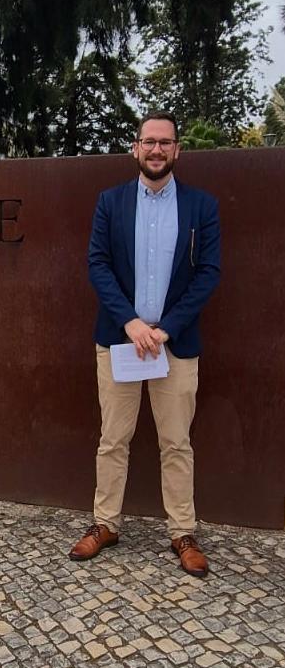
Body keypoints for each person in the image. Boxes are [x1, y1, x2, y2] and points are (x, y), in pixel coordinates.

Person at [69, 111, 221, 578]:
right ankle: (105, 524)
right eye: (149, 141)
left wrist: (166, 327)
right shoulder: (110, 202)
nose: (157, 150)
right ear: (135, 148)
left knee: (176, 443)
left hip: (174, 344)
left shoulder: (201, 206)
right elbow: (98, 265)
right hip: (121, 341)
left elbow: (208, 273)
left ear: (177, 150)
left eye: (165, 142)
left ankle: (182, 532)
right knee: (113, 438)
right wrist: (132, 322)